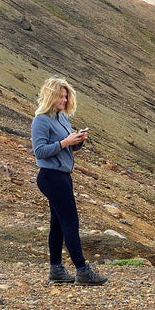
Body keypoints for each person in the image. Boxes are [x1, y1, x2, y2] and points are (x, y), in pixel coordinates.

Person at [31, 77, 107, 286]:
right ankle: (82, 271)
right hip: (50, 176)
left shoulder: (61, 118)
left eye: (66, 96)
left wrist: (77, 142)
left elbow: (66, 147)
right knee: (70, 222)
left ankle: (56, 270)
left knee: (57, 224)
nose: (64, 101)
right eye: (61, 97)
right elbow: (39, 151)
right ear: (50, 96)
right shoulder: (41, 120)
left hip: (62, 176)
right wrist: (65, 142)